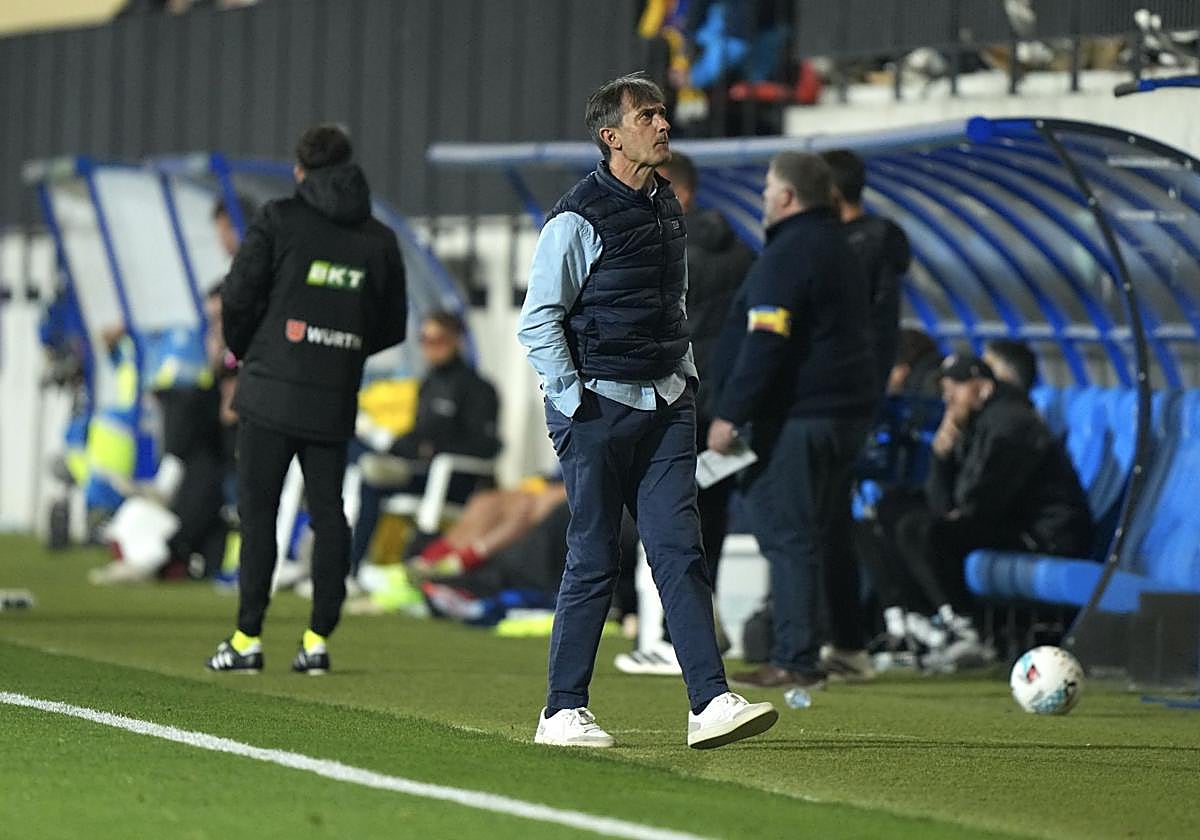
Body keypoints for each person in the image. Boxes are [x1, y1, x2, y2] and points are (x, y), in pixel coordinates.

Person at [518, 72, 776, 750]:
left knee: (681, 553)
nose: (664, 124)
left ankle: (710, 702)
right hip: (596, 408)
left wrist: (682, 377)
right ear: (612, 136)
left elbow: (673, 300)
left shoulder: (666, 203)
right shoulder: (576, 216)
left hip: (665, 404)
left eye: (663, 113)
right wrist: (574, 400)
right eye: (648, 116)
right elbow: (538, 320)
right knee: (594, 557)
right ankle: (561, 711)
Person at [208, 123, 408, 674]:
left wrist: (249, 352)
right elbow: (392, 324)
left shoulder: (278, 219)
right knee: (329, 515)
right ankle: (317, 640)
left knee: (259, 515)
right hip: (332, 397)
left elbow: (238, 295)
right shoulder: (380, 238)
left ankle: (246, 640)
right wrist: (341, 351)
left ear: (300, 171)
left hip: (268, 392)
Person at [708, 151, 877, 691]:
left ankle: (795, 659)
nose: (762, 197)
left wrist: (730, 412)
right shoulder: (840, 247)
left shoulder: (789, 253)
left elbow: (766, 339)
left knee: (787, 533)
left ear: (785, 196)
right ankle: (826, 645)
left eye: (767, 188)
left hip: (798, 417)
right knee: (818, 531)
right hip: (843, 414)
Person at [614, 150, 754, 676]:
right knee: (706, 521)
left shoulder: (663, 246)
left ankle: (670, 637)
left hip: (675, 399)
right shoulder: (743, 254)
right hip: (726, 408)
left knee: (664, 521)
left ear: (681, 191)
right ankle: (697, 629)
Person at [884, 354, 1094, 670]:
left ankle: (968, 629)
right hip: (1012, 522)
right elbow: (950, 503)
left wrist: (950, 486)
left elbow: (979, 500)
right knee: (892, 510)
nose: (948, 399)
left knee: (925, 531)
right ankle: (928, 623)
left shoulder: (1010, 424)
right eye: (945, 391)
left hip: (1044, 533)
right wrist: (941, 455)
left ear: (981, 386)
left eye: (955, 389)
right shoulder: (981, 422)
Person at [816, 149, 911, 679]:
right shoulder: (875, 246)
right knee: (830, 516)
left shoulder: (853, 248)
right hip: (854, 398)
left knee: (824, 515)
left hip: (838, 400)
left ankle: (830, 640)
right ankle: (840, 638)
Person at [350, 311, 501, 573]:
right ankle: (351, 566)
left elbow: (488, 446)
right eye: (424, 339)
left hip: (450, 480)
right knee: (355, 454)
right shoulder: (429, 383)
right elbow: (418, 435)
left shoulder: (478, 389)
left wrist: (435, 451)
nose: (429, 347)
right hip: (414, 469)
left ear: (456, 340)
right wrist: (393, 443)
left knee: (372, 474)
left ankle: (360, 564)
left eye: (437, 340)